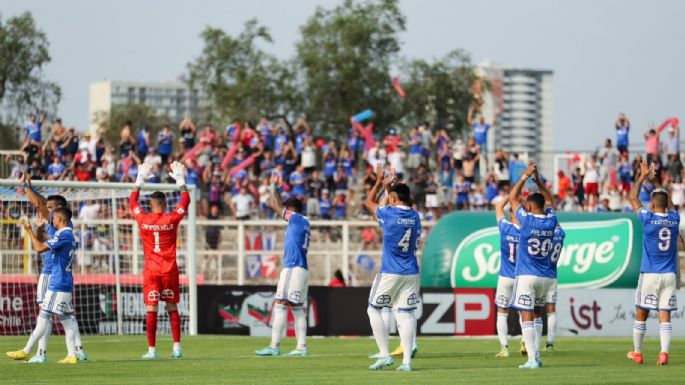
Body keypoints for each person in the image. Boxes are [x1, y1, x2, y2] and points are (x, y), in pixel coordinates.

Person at [16, 174, 87, 363]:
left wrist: (26, 187)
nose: (45, 211)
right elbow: (41, 204)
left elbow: (39, 205)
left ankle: (38, 353)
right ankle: (77, 352)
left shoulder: (62, 229)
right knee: (66, 315)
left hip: (52, 274)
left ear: (58, 212)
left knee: (45, 313)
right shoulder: (64, 228)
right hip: (62, 277)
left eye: (50, 210)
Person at [363, 164, 421, 372]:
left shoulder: (389, 214)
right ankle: (406, 362)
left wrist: (380, 183)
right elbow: (396, 205)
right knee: (405, 315)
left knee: (373, 309)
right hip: (411, 272)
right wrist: (391, 188)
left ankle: (385, 355)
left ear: (394, 200)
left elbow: (368, 203)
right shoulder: (415, 217)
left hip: (390, 271)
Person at [130, 161, 190, 359]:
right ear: (165, 204)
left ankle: (152, 350)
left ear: (150, 204)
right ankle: (177, 348)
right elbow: (185, 202)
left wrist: (139, 180)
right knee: (172, 307)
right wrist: (181, 181)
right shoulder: (171, 219)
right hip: (170, 269)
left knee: (151, 308)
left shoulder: (143, 219)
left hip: (152, 271)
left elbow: (132, 202)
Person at [7, 207, 79, 364]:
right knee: (67, 320)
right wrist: (38, 230)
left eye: (54, 218)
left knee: (43, 317)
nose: (52, 221)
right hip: (65, 283)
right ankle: (72, 355)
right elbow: (45, 242)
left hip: (58, 284)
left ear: (60, 219)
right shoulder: (69, 235)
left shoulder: (64, 235)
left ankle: (26, 351)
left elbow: (39, 248)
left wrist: (29, 231)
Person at [627, 160, 678, 365]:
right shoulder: (674, 219)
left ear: (653, 205)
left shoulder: (647, 218)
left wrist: (641, 176)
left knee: (642, 313)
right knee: (664, 315)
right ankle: (663, 353)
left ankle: (638, 353)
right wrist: (656, 180)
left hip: (650, 273)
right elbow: (670, 204)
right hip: (669, 274)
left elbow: (632, 197)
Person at [256, 172, 312, 357]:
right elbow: (279, 206)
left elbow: (274, 205)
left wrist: (273, 187)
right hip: (302, 269)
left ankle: (274, 346)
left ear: (290, 210)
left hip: (293, 267)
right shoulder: (304, 222)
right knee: (297, 308)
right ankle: (301, 347)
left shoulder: (295, 219)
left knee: (280, 304)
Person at [508, 160, 557, 369]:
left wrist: (525, 176)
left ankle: (531, 359)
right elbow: (550, 199)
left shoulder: (526, 220)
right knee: (538, 315)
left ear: (528, 206)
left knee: (526, 316)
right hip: (546, 276)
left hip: (527, 275)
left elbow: (511, 198)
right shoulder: (551, 220)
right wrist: (538, 182)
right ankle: (537, 355)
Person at [493, 195, 520, 358]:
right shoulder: (527, 231)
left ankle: (504, 348)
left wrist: (511, 195)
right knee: (524, 313)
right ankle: (525, 343)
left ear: (511, 216)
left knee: (502, 312)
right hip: (521, 277)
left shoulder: (505, 228)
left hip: (505, 277)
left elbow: (498, 207)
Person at [544, 224, 565, 351]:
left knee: (534, 311)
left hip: (539, 273)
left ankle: (531, 343)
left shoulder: (542, 233)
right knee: (551, 310)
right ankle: (550, 343)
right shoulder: (560, 234)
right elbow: (558, 226)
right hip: (552, 275)